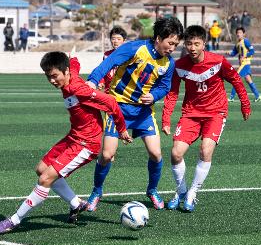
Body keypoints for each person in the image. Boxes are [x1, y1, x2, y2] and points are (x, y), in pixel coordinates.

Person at [0, 52, 132, 234]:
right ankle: (75, 204)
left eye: (54, 76)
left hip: (86, 143)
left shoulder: (78, 89)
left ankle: (14, 220)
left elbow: (111, 102)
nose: (51, 80)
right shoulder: (69, 72)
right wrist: (71, 57)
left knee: (45, 179)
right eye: (48, 76)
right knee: (41, 169)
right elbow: (74, 63)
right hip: (74, 136)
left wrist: (121, 130)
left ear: (65, 72)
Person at [85, 17, 184, 211]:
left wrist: (154, 95)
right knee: (106, 154)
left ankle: (152, 190)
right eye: (170, 43)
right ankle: (96, 191)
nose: (172, 48)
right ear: (158, 38)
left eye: (175, 44)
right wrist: (93, 80)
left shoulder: (168, 63)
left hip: (143, 112)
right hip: (118, 108)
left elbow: (165, 86)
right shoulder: (134, 48)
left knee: (156, 153)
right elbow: (110, 62)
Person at [162, 25, 251, 212]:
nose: (192, 48)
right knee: (176, 153)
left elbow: (235, 79)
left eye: (196, 44)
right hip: (190, 113)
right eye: (188, 44)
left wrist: (245, 103)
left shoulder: (218, 61)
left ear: (204, 44)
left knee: (205, 150)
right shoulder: (179, 66)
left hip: (215, 113)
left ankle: (193, 193)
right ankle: (181, 191)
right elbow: (172, 92)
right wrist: (166, 118)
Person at [228, 27, 261, 102]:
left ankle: (231, 97)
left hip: (245, 63)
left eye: (240, 32)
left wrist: (245, 56)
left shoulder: (245, 41)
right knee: (248, 80)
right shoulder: (237, 43)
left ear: (243, 34)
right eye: (237, 33)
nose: (238, 34)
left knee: (235, 78)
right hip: (242, 64)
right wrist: (229, 53)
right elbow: (234, 53)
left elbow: (252, 51)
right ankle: (258, 96)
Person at [97, 26, 127, 94]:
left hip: (124, 93)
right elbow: (103, 71)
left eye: (119, 39)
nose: (116, 41)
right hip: (109, 92)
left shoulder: (129, 55)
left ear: (124, 40)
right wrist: (101, 82)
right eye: (113, 38)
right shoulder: (106, 55)